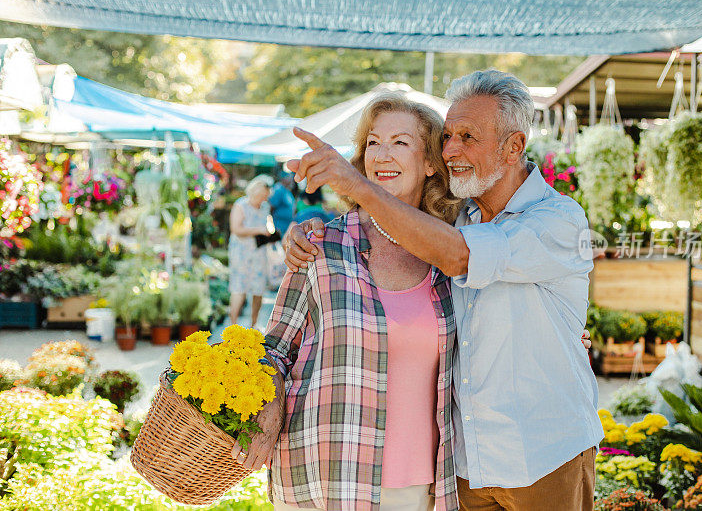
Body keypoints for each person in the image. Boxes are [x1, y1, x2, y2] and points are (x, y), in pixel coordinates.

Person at [284, 69, 603, 510]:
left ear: (514, 146)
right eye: (448, 136)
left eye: (468, 137)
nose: (451, 150)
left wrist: (356, 184)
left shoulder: (558, 221)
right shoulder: (454, 220)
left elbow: (460, 257)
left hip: (543, 456)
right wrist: (311, 230)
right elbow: (400, 232)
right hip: (467, 465)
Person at [235, 94, 462, 511]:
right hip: (322, 474)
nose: (382, 154)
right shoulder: (321, 244)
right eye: (373, 142)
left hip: (415, 485)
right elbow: (275, 347)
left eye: (400, 142)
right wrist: (266, 404)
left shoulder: (452, 256)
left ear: (431, 163)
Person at [228, 174, 276, 328]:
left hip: (259, 253)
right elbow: (235, 229)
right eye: (262, 196)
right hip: (241, 253)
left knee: (258, 289)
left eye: (266, 196)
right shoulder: (240, 205)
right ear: (255, 192)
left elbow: (268, 224)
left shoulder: (265, 207)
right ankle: (232, 326)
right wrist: (259, 230)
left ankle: (253, 325)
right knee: (239, 288)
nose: (264, 199)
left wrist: (270, 231)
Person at [270, 172, 296, 236]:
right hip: (279, 226)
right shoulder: (278, 190)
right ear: (284, 178)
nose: (292, 179)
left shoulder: (287, 190)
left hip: (286, 226)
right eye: (289, 177)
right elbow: (271, 207)